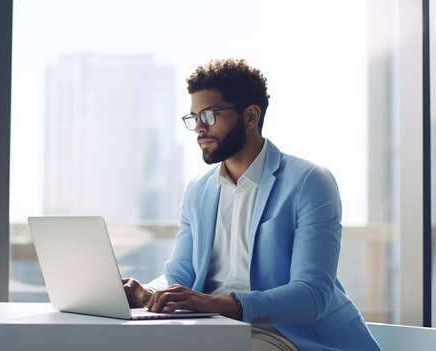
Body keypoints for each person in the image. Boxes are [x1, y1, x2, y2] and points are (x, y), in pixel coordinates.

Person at [122, 58, 381, 350]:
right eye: (194, 118)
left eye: (209, 116)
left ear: (250, 116)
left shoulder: (309, 180)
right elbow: (181, 273)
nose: (198, 129)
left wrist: (218, 303)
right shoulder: (198, 189)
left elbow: (312, 295)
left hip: (287, 334)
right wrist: (149, 292)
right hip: (212, 327)